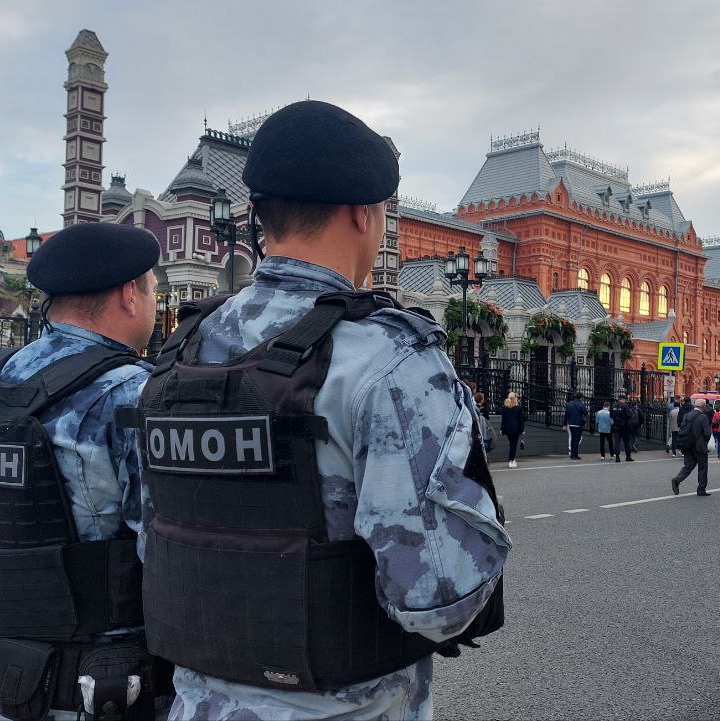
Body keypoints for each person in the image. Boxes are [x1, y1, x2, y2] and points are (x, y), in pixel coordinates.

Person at [143, 101, 509, 720]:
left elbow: (156, 541)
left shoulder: (183, 350)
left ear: (259, 215)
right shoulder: (389, 357)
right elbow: (438, 598)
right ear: (363, 214)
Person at [0, 223, 170, 720]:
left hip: (0, 679)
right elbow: (169, 554)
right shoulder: (130, 393)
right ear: (130, 295)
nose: (154, 305)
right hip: (106, 687)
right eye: (154, 293)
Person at [670, 398, 712, 496]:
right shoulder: (703, 417)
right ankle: (701, 489)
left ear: (694, 405)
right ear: (704, 407)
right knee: (702, 467)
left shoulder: (687, 415)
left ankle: (677, 479)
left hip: (687, 444)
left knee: (688, 466)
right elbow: (707, 433)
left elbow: (681, 426)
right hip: (699, 446)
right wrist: (704, 442)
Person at [500, 391, 525, 468]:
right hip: (516, 429)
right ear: (515, 398)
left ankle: (512, 460)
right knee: (513, 445)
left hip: (507, 429)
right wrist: (522, 430)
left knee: (512, 444)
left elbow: (503, 420)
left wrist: (502, 429)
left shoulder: (505, 408)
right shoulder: (518, 408)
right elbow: (521, 420)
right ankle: (511, 460)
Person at [563, 391, 589, 460]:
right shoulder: (581, 404)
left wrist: (564, 424)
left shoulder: (569, 404)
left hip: (571, 423)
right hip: (579, 424)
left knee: (573, 439)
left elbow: (566, 415)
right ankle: (575, 454)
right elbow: (586, 413)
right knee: (577, 440)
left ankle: (573, 454)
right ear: (581, 397)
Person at [611, 394, 634, 462]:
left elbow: (611, 415)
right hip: (625, 427)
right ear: (624, 399)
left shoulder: (613, 406)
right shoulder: (625, 406)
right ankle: (628, 457)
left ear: (618, 399)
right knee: (627, 442)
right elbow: (629, 415)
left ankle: (617, 457)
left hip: (616, 426)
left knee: (617, 442)